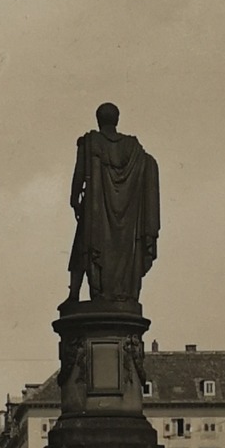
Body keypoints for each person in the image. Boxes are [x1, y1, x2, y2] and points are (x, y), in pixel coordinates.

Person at [64, 102, 161, 306]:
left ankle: (74, 295)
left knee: (82, 249)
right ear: (116, 120)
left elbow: (78, 177)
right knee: (122, 254)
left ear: (98, 120)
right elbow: (149, 164)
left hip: (94, 215)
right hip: (127, 223)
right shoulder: (134, 149)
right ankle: (123, 292)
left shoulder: (90, 142)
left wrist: (75, 202)